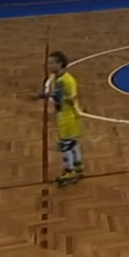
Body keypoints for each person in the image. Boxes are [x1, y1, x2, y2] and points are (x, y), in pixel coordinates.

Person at [42, 51, 84, 187]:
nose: (48, 66)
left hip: (68, 116)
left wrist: (77, 113)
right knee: (72, 142)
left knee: (64, 144)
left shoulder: (67, 80)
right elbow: (56, 94)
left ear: (60, 64)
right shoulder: (56, 78)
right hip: (63, 114)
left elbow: (71, 99)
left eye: (51, 63)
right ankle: (78, 166)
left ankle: (69, 170)